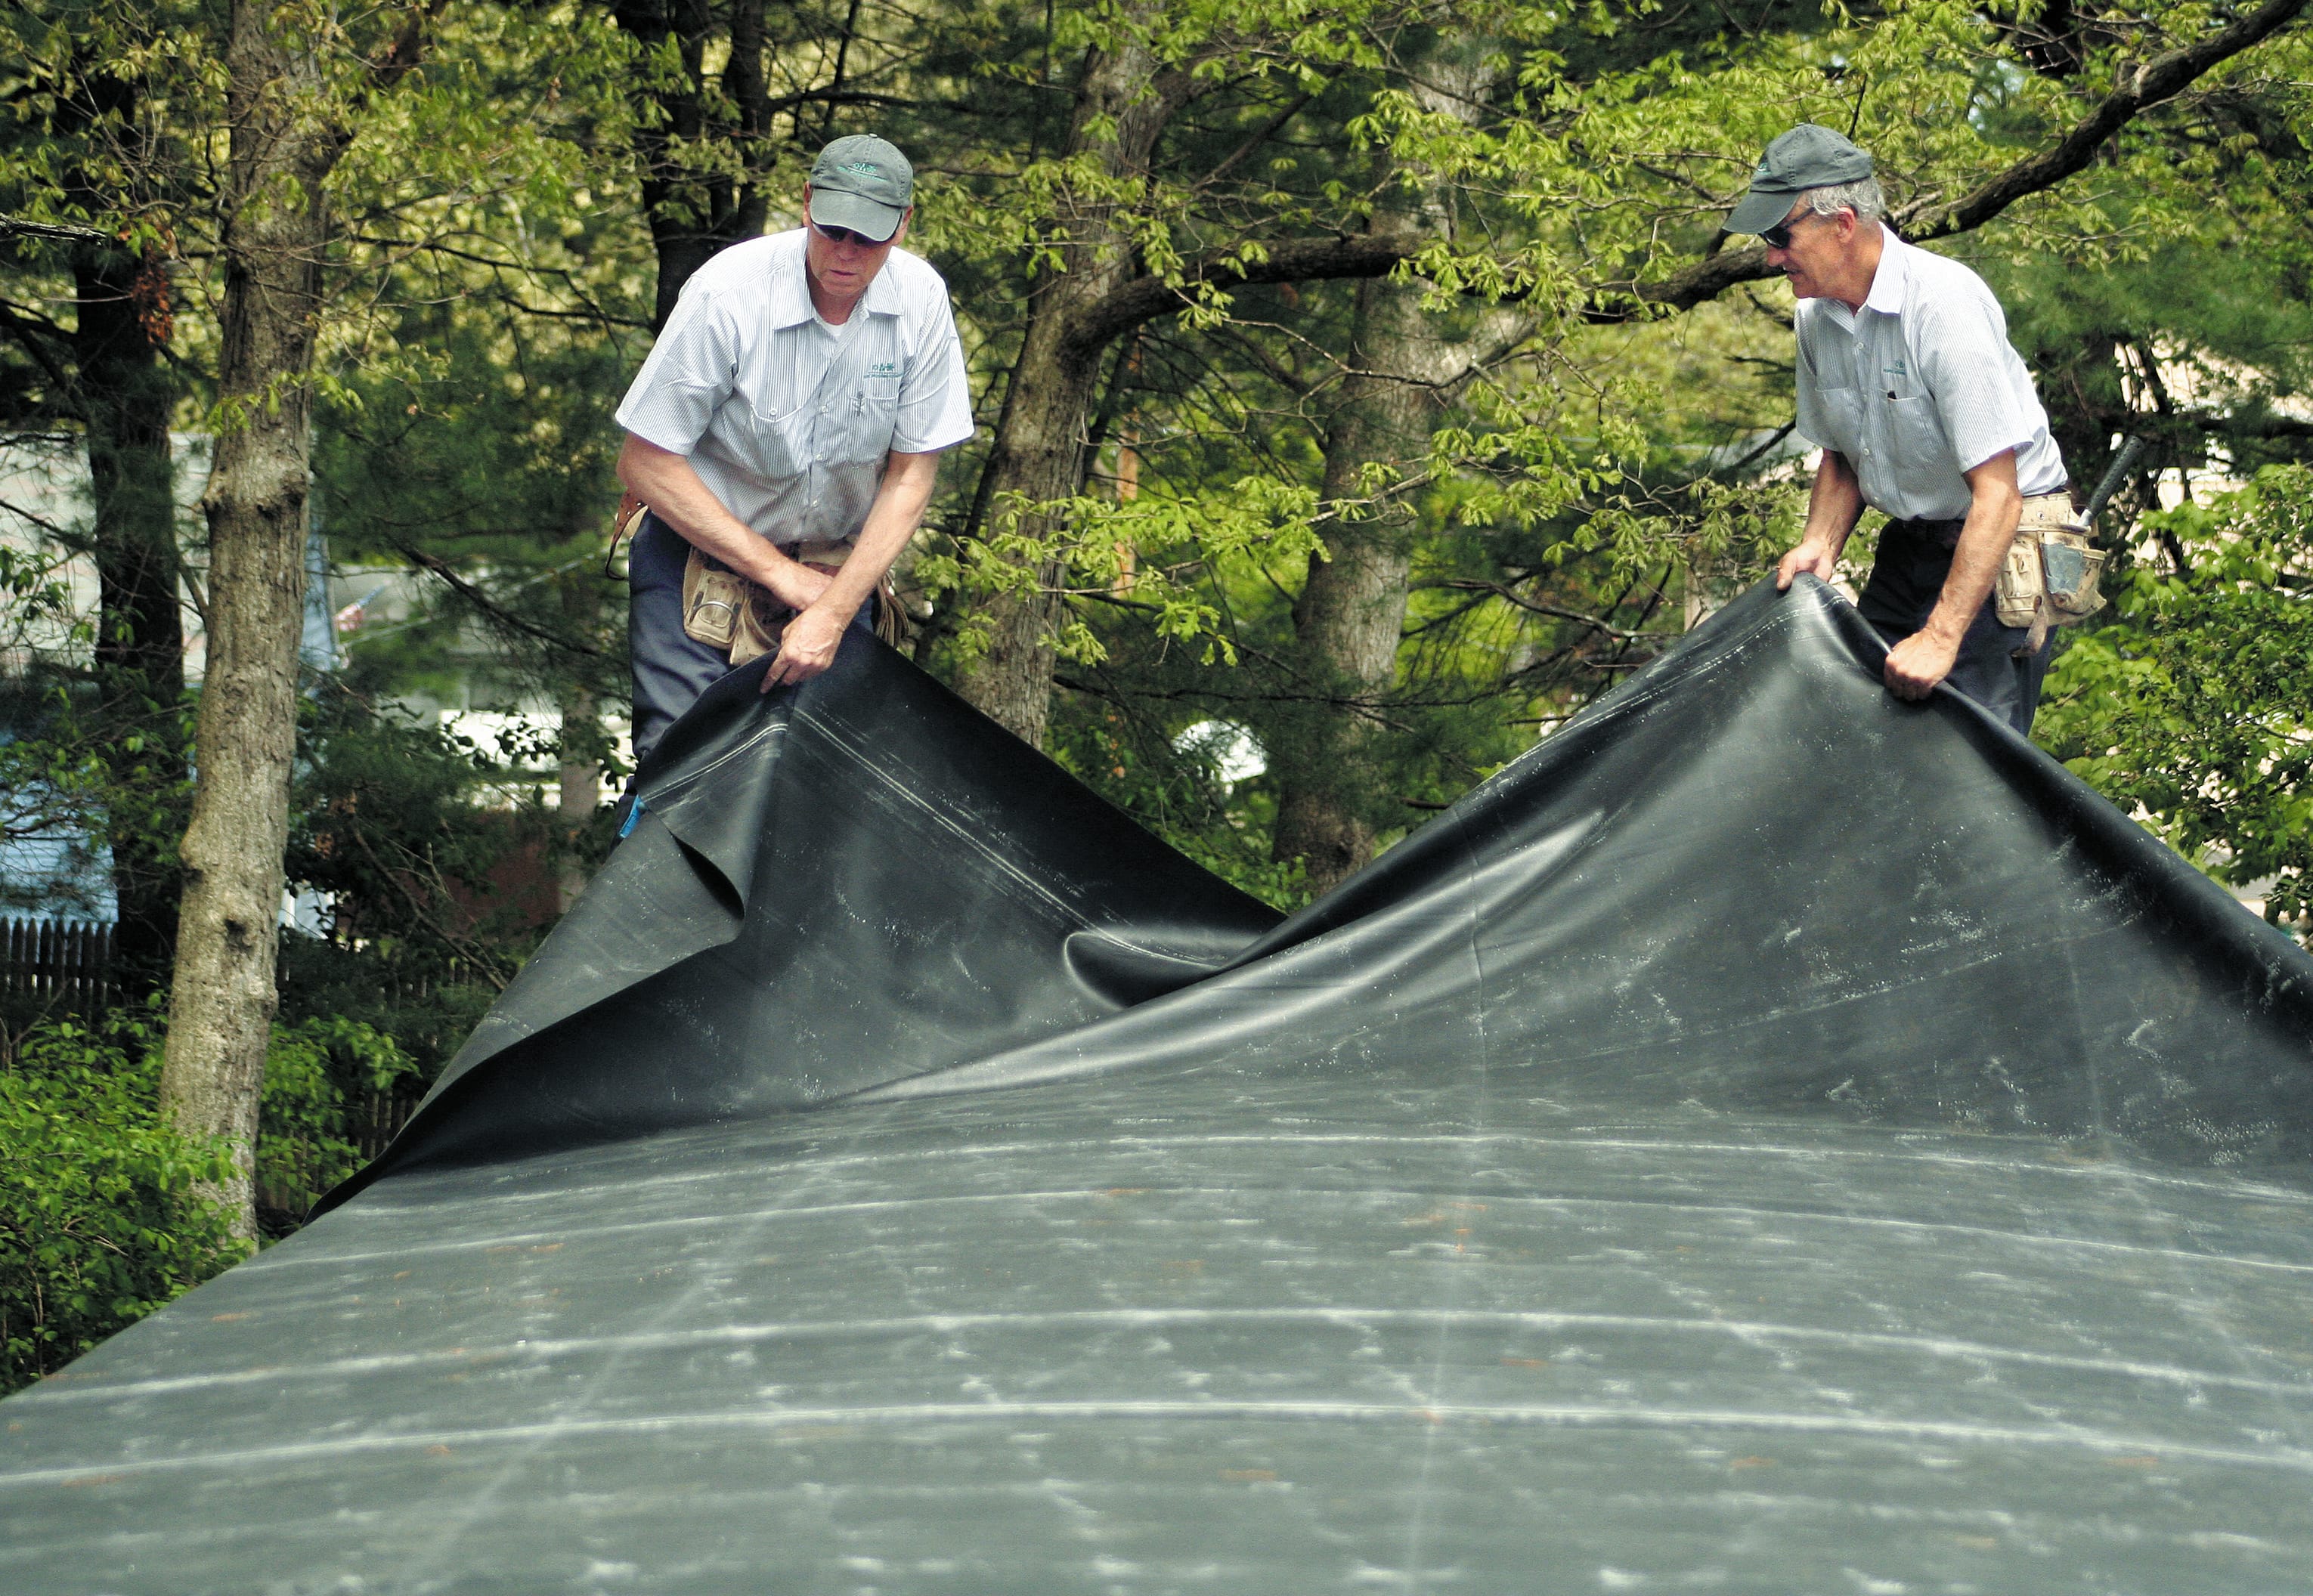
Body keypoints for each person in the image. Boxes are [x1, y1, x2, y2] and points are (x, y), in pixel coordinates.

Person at [612, 133, 974, 762]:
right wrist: (782, 576)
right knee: (682, 767)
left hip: (834, 573)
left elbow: (912, 476)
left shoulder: (921, 301)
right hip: (694, 560)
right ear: (806, 203)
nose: (846, 251)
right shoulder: (727, 293)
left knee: (823, 778)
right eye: (834, 228)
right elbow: (644, 461)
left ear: (904, 225)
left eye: (870, 237)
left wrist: (834, 610)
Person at [1728, 124, 2073, 736]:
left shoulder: (1943, 305)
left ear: (1842, 224)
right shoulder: (1814, 315)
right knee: (1857, 726)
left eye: (1782, 236)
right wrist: (1821, 544)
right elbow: (1841, 454)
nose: (1772, 257)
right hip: (1913, 541)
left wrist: (1941, 640)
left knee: (1965, 754)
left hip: (2008, 539)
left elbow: (2000, 493)